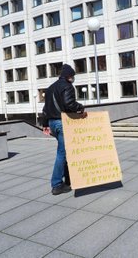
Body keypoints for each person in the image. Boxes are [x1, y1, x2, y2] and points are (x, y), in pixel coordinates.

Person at [42, 64, 87, 195]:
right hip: (62, 123)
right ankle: (56, 184)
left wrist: (45, 124)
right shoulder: (67, 86)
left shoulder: (50, 88)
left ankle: (69, 179)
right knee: (62, 153)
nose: (73, 78)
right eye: (73, 76)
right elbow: (69, 104)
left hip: (52, 123)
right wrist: (80, 107)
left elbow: (45, 109)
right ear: (69, 76)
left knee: (67, 152)